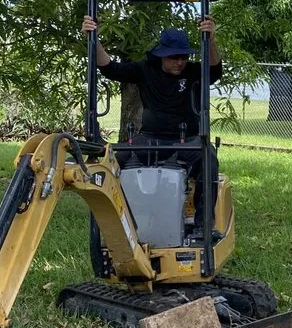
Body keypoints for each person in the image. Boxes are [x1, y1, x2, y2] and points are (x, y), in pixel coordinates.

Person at [81, 14, 222, 238]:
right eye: (174, 57)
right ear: (162, 55)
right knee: (113, 160)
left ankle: (203, 227)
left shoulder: (194, 72)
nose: (180, 62)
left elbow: (215, 70)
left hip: (187, 140)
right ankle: (122, 225)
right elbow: (109, 68)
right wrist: (93, 37)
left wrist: (211, 38)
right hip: (150, 138)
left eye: (184, 57)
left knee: (207, 159)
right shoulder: (146, 69)